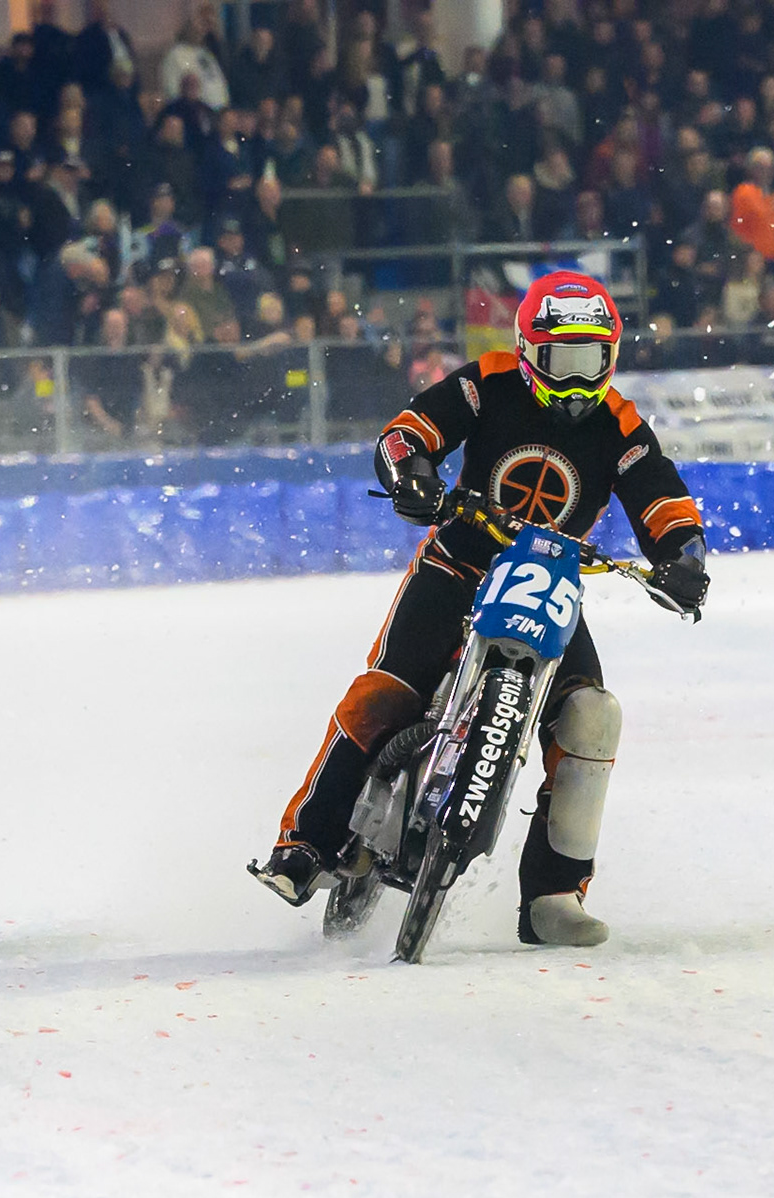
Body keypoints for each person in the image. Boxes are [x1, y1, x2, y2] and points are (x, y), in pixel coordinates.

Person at [249, 272, 711, 948]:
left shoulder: (623, 425)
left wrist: (684, 558)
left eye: (593, 362)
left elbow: (661, 497)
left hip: (547, 583)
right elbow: (408, 432)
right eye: (563, 361)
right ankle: (305, 845)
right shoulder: (486, 382)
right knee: (386, 693)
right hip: (457, 563)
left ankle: (555, 894)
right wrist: (412, 476)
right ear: (529, 352)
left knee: (593, 716)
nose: (579, 382)